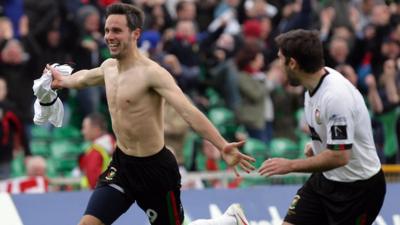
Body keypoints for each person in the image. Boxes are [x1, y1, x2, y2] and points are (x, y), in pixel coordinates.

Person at [45, 3, 255, 225]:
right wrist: (63, 80)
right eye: (107, 30)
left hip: (156, 171)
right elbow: (85, 77)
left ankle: (229, 220)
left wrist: (222, 145)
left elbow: (188, 111)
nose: (109, 36)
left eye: (117, 30)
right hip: (122, 165)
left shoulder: (153, 74)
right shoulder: (109, 67)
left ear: (135, 34)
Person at [258, 29, 386, 225]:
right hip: (325, 181)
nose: (278, 67)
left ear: (292, 63)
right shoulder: (313, 85)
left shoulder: (335, 96)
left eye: (280, 60)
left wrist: (290, 165)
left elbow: (339, 156)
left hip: (358, 191)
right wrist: (317, 143)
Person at [79, 112, 115, 189]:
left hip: (96, 193)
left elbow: (93, 181)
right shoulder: (114, 144)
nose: (82, 132)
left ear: (96, 129)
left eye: (84, 128)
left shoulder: (95, 151)